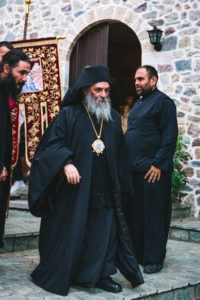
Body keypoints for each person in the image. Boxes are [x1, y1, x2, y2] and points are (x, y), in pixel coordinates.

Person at [28, 65, 144, 296]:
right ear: (84, 90)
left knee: (103, 235)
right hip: (75, 190)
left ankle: (100, 275)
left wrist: (123, 186)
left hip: (105, 187)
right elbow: (50, 146)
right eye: (97, 90)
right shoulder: (68, 115)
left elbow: (120, 153)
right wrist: (66, 162)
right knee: (73, 232)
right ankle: (68, 272)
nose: (102, 95)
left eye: (106, 91)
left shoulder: (111, 117)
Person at [125, 65, 178, 274]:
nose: (136, 83)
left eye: (141, 79)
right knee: (137, 216)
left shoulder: (163, 103)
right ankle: (140, 255)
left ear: (153, 80)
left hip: (153, 171)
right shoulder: (138, 104)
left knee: (154, 217)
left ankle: (154, 259)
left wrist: (158, 164)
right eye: (135, 79)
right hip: (135, 171)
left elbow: (169, 136)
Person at [0, 49, 31, 247]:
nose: (25, 78)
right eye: (22, 72)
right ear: (6, 68)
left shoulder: (6, 91)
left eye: (27, 73)